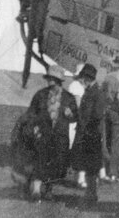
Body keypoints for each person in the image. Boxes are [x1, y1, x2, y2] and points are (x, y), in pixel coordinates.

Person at [26, 64, 79, 200]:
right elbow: (31, 114)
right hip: (42, 134)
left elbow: (75, 117)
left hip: (60, 136)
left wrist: (70, 114)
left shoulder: (69, 98)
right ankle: (36, 190)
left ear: (59, 81)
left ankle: (49, 190)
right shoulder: (40, 95)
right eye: (49, 78)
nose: (50, 81)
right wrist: (35, 128)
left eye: (53, 78)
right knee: (40, 161)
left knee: (57, 163)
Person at [71, 64, 107, 205]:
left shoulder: (95, 93)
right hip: (89, 133)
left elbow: (97, 115)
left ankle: (91, 195)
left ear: (87, 79)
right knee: (89, 165)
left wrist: (85, 126)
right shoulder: (92, 91)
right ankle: (90, 194)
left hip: (91, 134)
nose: (81, 81)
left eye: (83, 79)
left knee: (91, 167)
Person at [102, 53, 119, 181]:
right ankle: (113, 172)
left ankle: (103, 169)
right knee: (116, 142)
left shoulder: (108, 76)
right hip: (116, 113)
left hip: (105, 109)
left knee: (105, 140)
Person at [67, 66, 87, 188]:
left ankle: (79, 178)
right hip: (74, 122)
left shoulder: (77, 85)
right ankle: (79, 179)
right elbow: (79, 105)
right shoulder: (76, 86)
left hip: (75, 122)